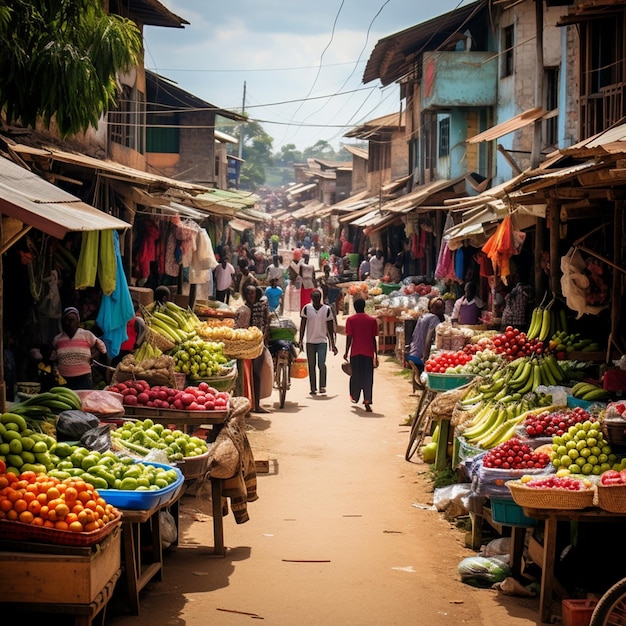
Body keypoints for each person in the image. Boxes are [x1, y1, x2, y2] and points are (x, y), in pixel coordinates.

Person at [51, 307, 107, 390]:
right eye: (67, 320)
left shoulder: (86, 335)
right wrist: (55, 369)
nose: (70, 323)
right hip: (63, 379)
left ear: (78, 322)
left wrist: (94, 354)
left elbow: (102, 348)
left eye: (73, 320)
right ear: (63, 322)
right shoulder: (57, 339)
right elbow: (53, 358)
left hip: (84, 378)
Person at [235, 285, 271, 413]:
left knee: (256, 374)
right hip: (243, 345)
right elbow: (237, 328)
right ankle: (245, 406)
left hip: (257, 344)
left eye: (253, 293)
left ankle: (256, 404)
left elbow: (265, 323)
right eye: (249, 293)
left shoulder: (260, 308)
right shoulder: (242, 310)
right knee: (243, 376)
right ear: (245, 295)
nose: (251, 295)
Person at [299, 289, 337, 396]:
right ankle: (313, 388)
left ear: (321, 298)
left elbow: (330, 328)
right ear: (311, 299)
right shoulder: (306, 308)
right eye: (314, 299)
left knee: (321, 364)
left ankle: (322, 386)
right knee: (311, 365)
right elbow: (303, 325)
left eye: (317, 299)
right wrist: (300, 340)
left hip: (322, 342)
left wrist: (332, 344)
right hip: (310, 342)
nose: (316, 301)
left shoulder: (327, 309)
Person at [343, 297, 379, 411]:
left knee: (356, 376)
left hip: (355, 352)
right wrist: (376, 355)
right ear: (364, 306)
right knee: (368, 377)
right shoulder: (372, 320)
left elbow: (349, 337)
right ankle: (367, 399)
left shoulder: (350, 320)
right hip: (368, 353)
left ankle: (355, 396)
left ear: (354, 307)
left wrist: (346, 351)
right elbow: (373, 339)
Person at [407, 297, 445, 374]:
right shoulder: (434, 318)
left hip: (412, 353)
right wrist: (425, 356)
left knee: (416, 378)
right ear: (432, 308)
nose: (442, 310)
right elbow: (429, 338)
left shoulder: (423, 316)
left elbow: (414, 334)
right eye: (439, 308)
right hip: (421, 356)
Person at [113, 301, 146, 366]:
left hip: (128, 351)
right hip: (117, 349)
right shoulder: (118, 319)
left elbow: (142, 334)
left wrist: (136, 345)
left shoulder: (137, 321)